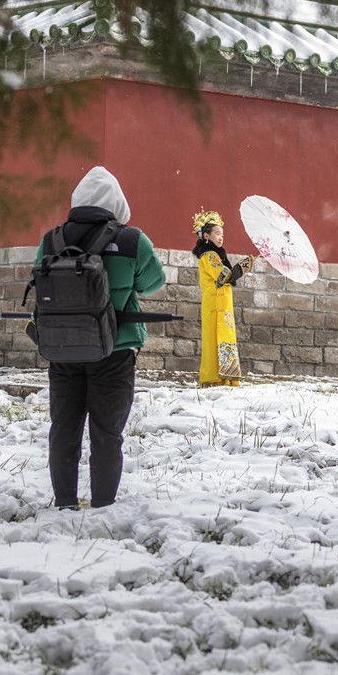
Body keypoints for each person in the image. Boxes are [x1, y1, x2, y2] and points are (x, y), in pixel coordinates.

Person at [37, 166, 165, 509]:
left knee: (64, 429)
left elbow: (40, 284)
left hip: (63, 351)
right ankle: (104, 503)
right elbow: (154, 282)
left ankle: (65, 500)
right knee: (107, 433)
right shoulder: (131, 240)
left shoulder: (53, 239)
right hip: (115, 350)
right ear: (117, 203)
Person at [192, 209, 252, 387]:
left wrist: (244, 265)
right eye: (217, 233)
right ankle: (214, 378)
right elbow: (224, 277)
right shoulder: (210, 256)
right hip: (216, 306)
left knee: (223, 339)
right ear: (206, 235)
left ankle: (224, 378)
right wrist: (244, 266)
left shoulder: (216, 256)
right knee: (216, 340)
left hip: (221, 306)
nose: (220, 237)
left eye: (222, 234)